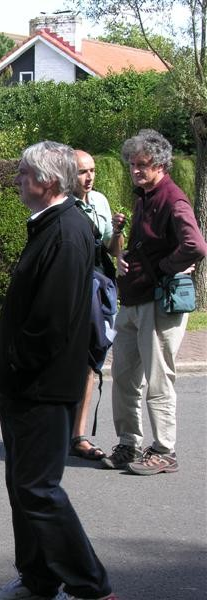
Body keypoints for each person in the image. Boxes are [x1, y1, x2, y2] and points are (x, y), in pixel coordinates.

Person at [0, 142, 115, 600]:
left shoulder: (65, 231)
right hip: (27, 383)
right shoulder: (50, 226)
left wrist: (19, 363)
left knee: (38, 490)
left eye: (23, 173)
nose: (17, 179)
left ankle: (91, 585)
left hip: (40, 386)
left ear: (46, 180)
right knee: (24, 488)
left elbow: (52, 320)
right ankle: (38, 580)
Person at [102, 129, 207, 475]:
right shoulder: (144, 196)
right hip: (132, 300)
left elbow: (196, 246)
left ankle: (165, 450)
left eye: (142, 164)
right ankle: (129, 443)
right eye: (132, 164)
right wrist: (125, 249)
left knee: (158, 379)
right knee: (124, 378)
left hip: (157, 304)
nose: (135, 170)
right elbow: (147, 243)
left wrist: (165, 268)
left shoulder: (172, 198)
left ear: (160, 164)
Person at [68, 150, 125, 461]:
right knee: (66, 359)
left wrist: (116, 231)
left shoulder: (100, 201)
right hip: (71, 289)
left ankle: (79, 434)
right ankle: (59, 430)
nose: (88, 177)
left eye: (92, 170)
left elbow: (114, 251)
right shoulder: (60, 204)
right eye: (81, 171)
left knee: (92, 359)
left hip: (99, 286)